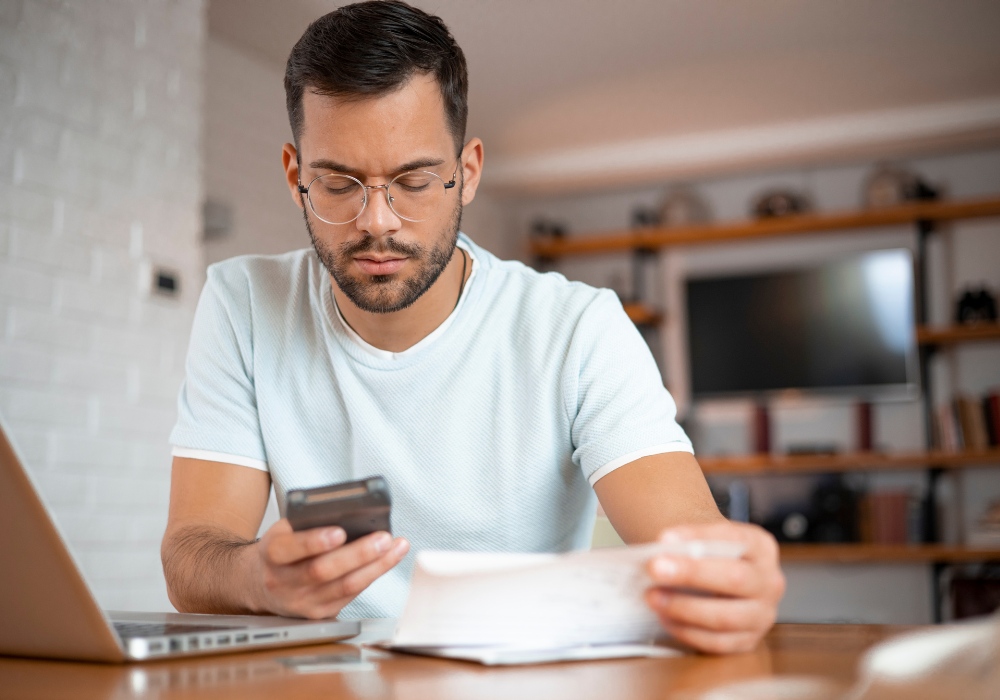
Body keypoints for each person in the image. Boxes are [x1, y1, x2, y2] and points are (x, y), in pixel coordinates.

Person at [161, 0, 785, 654]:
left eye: (415, 180)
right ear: (297, 177)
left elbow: (687, 537)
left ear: (468, 173)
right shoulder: (244, 304)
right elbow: (190, 558)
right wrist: (256, 577)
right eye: (341, 184)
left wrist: (727, 580)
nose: (378, 221)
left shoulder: (577, 328)